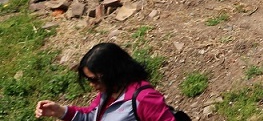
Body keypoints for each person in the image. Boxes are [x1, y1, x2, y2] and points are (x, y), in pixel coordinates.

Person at [35, 42, 175, 121]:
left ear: (111, 72)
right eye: (89, 80)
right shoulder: (110, 92)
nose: (92, 85)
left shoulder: (144, 99)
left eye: (95, 79)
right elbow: (91, 116)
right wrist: (60, 111)